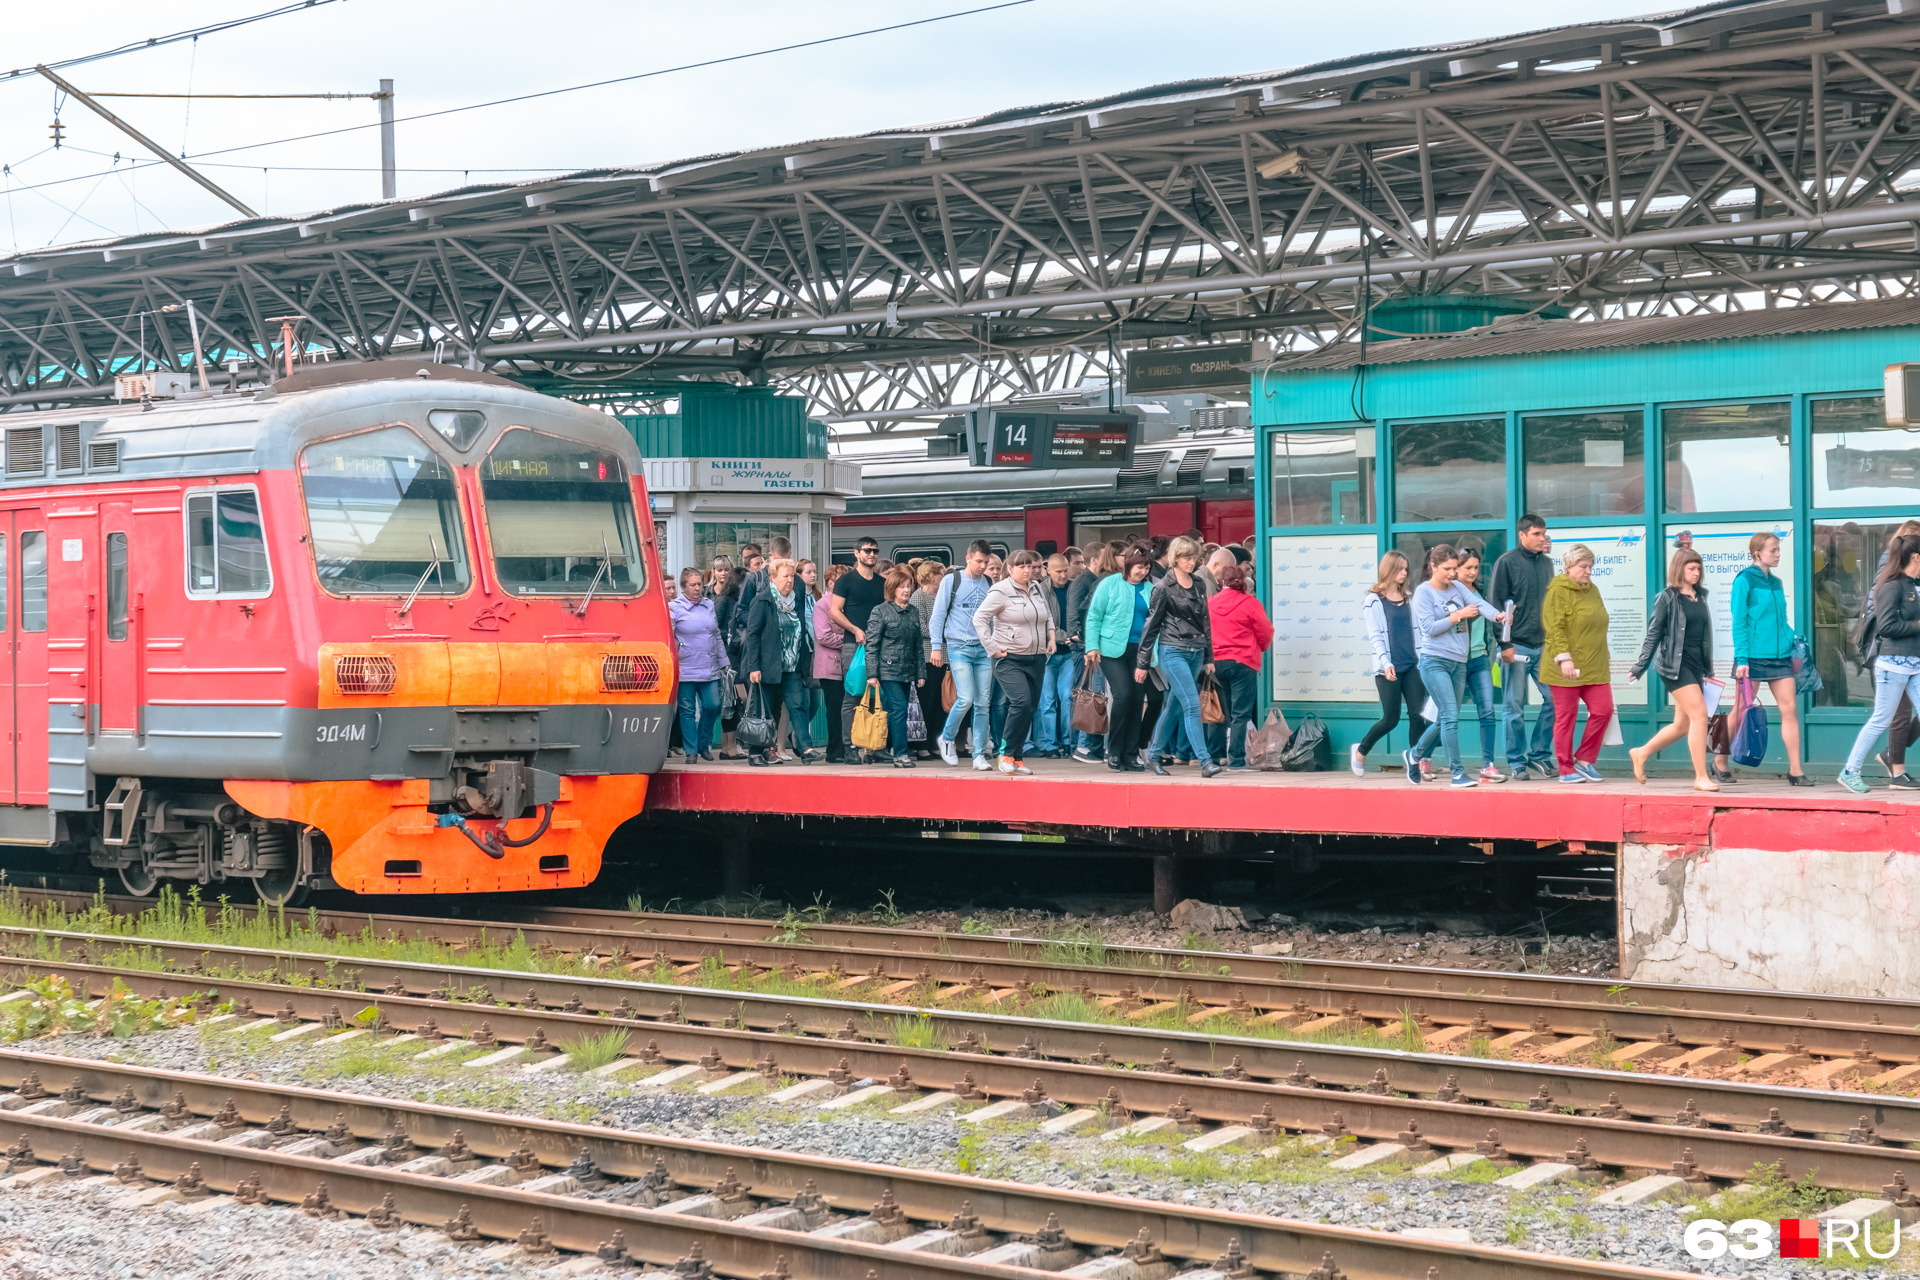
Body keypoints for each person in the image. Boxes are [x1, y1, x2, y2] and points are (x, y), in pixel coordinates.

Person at [1406, 544, 1506, 788]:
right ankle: (1457, 773)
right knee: (1450, 716)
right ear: (1433, 566)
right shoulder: (1423, 593)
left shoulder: (1458, 587)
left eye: (1454, 568)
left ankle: (1414, 755)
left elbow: (1478, 604)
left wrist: (1498, 616)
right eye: (1447, 569)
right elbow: (1429, 628)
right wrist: (1458, 616)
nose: (1452, 574)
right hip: (1435, 661)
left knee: (1445, 719)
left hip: (1459, 663)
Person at [1718, 530, 1810, 785]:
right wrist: (1742, 659)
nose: (1778, 554)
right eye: (1774, 550)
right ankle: (1719, 761)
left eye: (1779, 549)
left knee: (1790, 710)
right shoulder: (1744, 580)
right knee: (1739, 710)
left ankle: (1795, 770)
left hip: (1781, 657)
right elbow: (1739, 623)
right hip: (1753, 657)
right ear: (1758, 553)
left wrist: (1795, 644)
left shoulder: (1777, 582)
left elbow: (1781, 620)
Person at [1627, 547, 1718, 791]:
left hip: (1695, 665)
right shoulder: (1667, 597)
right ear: (1680, 569)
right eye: (1691, 568)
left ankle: (1641, 752)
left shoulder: (1700, 596)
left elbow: (1704, 636)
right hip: (1674, 666)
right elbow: (1653, 633)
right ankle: (1700, 777)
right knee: (1700, 716)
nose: (1696, 572)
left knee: (1682, 725)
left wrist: (1708, 668)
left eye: (1698, 567)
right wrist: (1640, 666)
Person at [1138, 536, 1223, 779]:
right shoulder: (1163, 588)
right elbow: (1150, 627)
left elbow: (1205, 622)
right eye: (1187, 557)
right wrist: (1143, 663)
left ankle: (1153, 755)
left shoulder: (1198, 584)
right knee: (1191, 704)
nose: (1192, 561)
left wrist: (1209, 657)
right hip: (1172, 651)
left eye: (1194, 557)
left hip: (1195, 652)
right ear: (1175, 558)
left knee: (1174, 707)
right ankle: (1206, 762)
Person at [1841, 533, 1920, 791]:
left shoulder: (1912, 585)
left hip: (1915, 664)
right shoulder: (1891, 586)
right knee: (1881, 719)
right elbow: (1886, 626)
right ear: (1916, 557)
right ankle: (1850, 771)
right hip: (1893, 665)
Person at [974, 548, 1057, 775]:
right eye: (1021, 566)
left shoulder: (1037, 587)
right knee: (1020, 702)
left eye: (1029, 566)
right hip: (1009, 657)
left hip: (1037, 656)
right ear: (1009, 569)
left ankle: (1017, 758)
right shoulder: (1000, 590)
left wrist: (1051, 637)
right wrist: (991, 647)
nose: (1027, 570)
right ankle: (1006, 753)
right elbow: (979, 618)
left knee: (1030, 707)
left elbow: (1047, 614)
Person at [1490, 514, 1557, 780]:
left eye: (1544, 533)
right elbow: (1497, 605)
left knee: (1555, 700)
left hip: (1544, 646)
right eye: (1537, 534)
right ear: (1522, 535)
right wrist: (1504, 643)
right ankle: (1516, 761)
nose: (1543, 538)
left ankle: (1539, 755)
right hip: (1515, 646)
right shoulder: (1506, 563)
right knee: (1513, 707)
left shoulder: (1548, 564)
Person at [1542, 544, 1613, 784]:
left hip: (1595, 665)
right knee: (1566, 717)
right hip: (1566, 667)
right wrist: (1565, 658)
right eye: (1583, 566)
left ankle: (1584, 760)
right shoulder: (1558, 591)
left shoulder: (1593, 590)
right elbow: (1554, 628)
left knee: (1603, 710)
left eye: (1591, 566)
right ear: (1569, 567)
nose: (1588, 571)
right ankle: (1565, 769)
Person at [1355, 550, 1427, 775]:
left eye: (1406, 568)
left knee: (1418, 715)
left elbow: (1420, 633)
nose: (1404, 573)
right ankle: (1361, 750)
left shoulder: (1410, 598)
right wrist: (1386, 663)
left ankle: (1415, 762)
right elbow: (1375, 635)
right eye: (1400, 568)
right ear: (1388, 570)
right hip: (1388, 668)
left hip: (1412, 665)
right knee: (1391, 719)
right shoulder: (1373, 601)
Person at [743, 559, 819, 767]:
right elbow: (752, 635)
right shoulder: (763, 600)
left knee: (798, 705)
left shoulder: (797, 600)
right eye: (785, 576)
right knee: (765, 712)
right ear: (773, 578)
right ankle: (757, 751)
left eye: (792, 576)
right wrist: (754, 667)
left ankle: (806, 748)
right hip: (768, 666)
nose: (789, 580)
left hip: (792, 665)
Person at [1087, 547, 1156, 772]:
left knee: (1138, 700)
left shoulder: (1151, 588)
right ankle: (1114, 750)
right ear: (1128, 565)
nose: (1143, 571)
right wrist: (1092, 646)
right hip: (1111, 649)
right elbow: (1094, 616)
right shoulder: (1109, 584)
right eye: (1139, 566)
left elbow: (1156, 623)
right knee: (1123, 694)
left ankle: (1131, 754)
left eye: (1147, 567)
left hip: (1140, 652)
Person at [931, 541, 997, 770]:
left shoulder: (989, 582)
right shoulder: (952, 580)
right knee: (966, 698)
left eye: (986, 562)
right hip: (958, 646)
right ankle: (947, 738)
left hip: (983, 649)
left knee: (983, 703)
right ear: (968, 558)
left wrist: (995, 641)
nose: (983, 566)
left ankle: (979, 754)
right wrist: (936, 646)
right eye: (979, 561)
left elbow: (994, 616)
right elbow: (938, 615)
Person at [1208, 562, 1272, 769]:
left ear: (1221, 582)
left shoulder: (1209, 603)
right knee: (1240, 714)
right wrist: (1259, 647)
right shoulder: (1250, 603)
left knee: (1220, 712)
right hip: (1243, 662)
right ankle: (1236, 760)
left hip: (1216, 662)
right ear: (1243, 582)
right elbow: (1265, 631)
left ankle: (1214, 756)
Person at [829, 536, 886, 762]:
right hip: (854, 645)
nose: (872, 554)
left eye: (875, 551)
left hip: (878, 646)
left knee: (878, 697)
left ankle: (874, 748)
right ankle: (850, 748)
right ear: (856, 553)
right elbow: (834, 611)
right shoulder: (846, 581)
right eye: (867, 550)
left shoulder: (881, 582)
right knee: (853, 696)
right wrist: (855, 629)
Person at [864, 567, 927, 768]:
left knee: (894, 711)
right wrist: (872, 673)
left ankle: (875, 749)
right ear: (892, 589)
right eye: (901, 587)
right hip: (887, 669)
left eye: (909, 586)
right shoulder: (880, 611)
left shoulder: (913, 611)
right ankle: (900, 755)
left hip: (907, 671)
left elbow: (918, 645)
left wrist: (920, 672)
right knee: (900, 708)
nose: (906, 590)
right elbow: (871, 644)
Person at [1066, 543, 1114, 762]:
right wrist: (1081, 638)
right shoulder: (1082, 583)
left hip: (1089, 646)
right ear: (1095, 559)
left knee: (1093, 696)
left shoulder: (1095, 580)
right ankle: (1084, 746)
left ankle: (1089, 746)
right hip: (1084, 648)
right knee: (1090, 696)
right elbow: (1074, 614)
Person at [669, 568, 724, 761]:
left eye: (699, 584)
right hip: (686, 666)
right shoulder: (674, 607)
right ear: (683, 587)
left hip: (709, 665)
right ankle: (691, 751)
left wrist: (724, 660)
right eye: (692, 585)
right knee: (687, 711)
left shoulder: (708, 604)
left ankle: (703, 744)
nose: (697, 588)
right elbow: (670, 637)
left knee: (713, 706)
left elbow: (716, 634)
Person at [1036, 554, 1077, 758]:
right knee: (1048, 700)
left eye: (1065, 570)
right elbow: (1040, 623)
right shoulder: (1040, 590)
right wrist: (1066, 636)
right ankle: (1051, 744)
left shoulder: (1074, 587)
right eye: (1058, 571)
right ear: (1048, 571)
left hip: (1069, 653)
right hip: (1047, 654)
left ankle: (1068, 742)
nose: (1063, 574)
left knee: (1067, 696)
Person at [813, 564, 850, 761]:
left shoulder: (848, 603)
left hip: (846, 665)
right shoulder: (822, 605)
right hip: (829, 666)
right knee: (835, 710)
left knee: (847, 709)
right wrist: (849, 639)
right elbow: (823, 636)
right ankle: (835, 752)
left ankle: (846, 748)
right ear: (829, 583)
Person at [909, 561, 946, 760]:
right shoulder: (918, 597)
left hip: (944, 655)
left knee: (940, 704)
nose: (943, 576)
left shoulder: (942, 596)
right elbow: (920, 627)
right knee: (926, 701)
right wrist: (942, 633)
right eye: (940, 573)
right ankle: (921, 744)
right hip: (927, 657)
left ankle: (933, 740)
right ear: (931, 576)